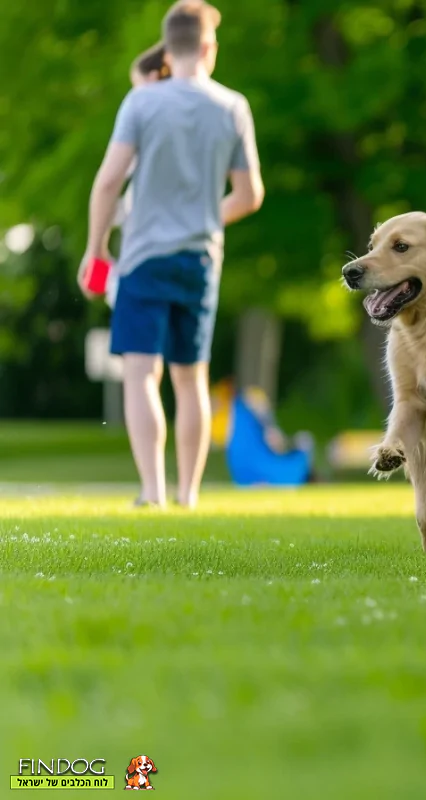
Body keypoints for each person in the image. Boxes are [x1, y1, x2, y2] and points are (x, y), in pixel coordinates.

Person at [79, 0, 264, 508]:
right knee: (191, 377)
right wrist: (203, 216)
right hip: (201, 259)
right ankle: (189, 494)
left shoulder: (141, 103)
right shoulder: (232, 106)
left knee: (142, 373)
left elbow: (109, 181)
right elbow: (249, 196)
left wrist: (96, 249)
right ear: (209, 48)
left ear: (169, 47)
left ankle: (152, 491)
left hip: (142, 258)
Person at [105, 42, 172, 308]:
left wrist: (97, 248)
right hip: (194, 255)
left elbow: (109, 183)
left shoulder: (143, 115)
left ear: (154, 77)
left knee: (138, 344)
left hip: (144, 251)